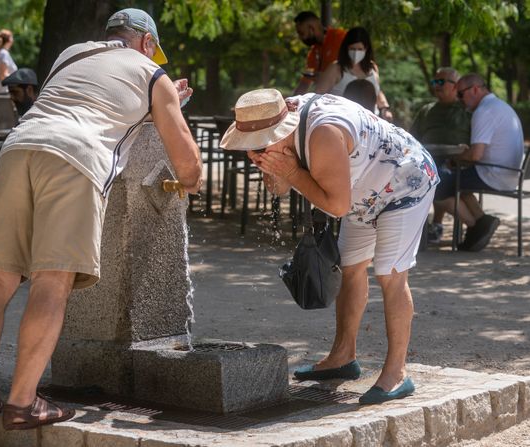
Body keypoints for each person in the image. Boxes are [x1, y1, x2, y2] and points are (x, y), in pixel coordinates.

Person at [0, 8, 202, 430]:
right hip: (75, 159)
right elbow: (189, 169)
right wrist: (166, 105)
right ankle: (22, 403)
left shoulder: (70, 54)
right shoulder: (151, 73)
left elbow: (88, 100)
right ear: (146, 44)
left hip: (19, 149)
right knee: (52, 281)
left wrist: (152, 104)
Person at [221, 89, 439, 404]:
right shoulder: (278, 123)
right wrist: (276, 170)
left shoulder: (322, 133)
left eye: (259, 147)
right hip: (362, 191)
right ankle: (343, 357)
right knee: (350, 267)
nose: (254, 154)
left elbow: (336, 206)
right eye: (248, 149)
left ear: (282, 132)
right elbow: (282, 187)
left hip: (405, 180)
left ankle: (396, 374)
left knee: (390, 273)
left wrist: (292, 171)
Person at [433, 73, 524, 252]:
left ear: (474, 89)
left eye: (460, 94)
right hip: (510, 174)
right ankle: (483, 221)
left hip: (493, 174)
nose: (459, 99)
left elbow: (475, 155)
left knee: (434, 185)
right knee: (456, 180)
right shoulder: (500, 106)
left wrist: (455, 158)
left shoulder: (483, 111)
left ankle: (475, 226)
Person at [410, 67, 471, 244]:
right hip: (427, 160)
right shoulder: (426, 110)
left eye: (441, 81)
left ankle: (472, 224)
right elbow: (411, 138)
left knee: (437, 177)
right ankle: (423, 228)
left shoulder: (467, 111)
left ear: (456, 86)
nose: (436, 85)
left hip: (457, 163)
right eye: (435, 81)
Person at [314, 27, 393, 121]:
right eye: (352, 49)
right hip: (343, 122)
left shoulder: (372, 67)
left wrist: (385, 108)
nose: (356, 53)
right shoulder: (336, 68)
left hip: (372, 123)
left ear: (366, 49)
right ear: (346, 48)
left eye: (360, 49)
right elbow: (317, 97)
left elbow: (377, 91)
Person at [292, 11, 346, 95]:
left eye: (301, 33)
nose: (300, 38)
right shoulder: (313, 53)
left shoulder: (340, 37)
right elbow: (305, 83)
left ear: (311, 28)